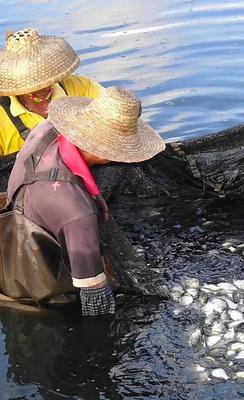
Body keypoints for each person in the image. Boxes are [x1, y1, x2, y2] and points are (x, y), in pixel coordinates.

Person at [2, 87, 165, 316]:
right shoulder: (78, 212)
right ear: (107, 152)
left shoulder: (45, 128)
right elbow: (94, 300)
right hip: (38, 291)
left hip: (11, 246)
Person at [0, 28, 102, 155]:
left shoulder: (83, 87)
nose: (44, 85)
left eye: (46, 74)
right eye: (32, 80)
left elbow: (116, 114)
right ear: (14, 78)